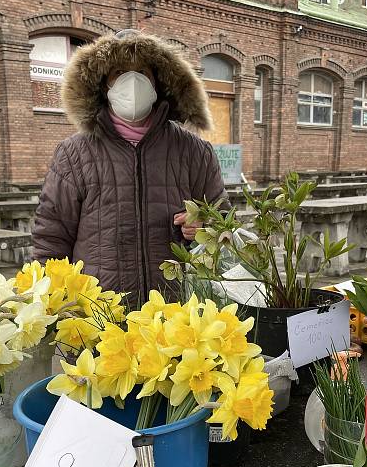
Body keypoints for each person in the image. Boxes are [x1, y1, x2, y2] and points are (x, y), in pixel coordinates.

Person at [33, 30, 226, 306]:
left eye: (142, 72)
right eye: (120, 71)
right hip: (99, 309)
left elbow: (224, 224)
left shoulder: (194, 151)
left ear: (158, 81)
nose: (132, 81)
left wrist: (204, 226)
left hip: (173, 314)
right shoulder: (74, 153)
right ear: (103, 84)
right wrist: (47, 301)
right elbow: (52, 235)